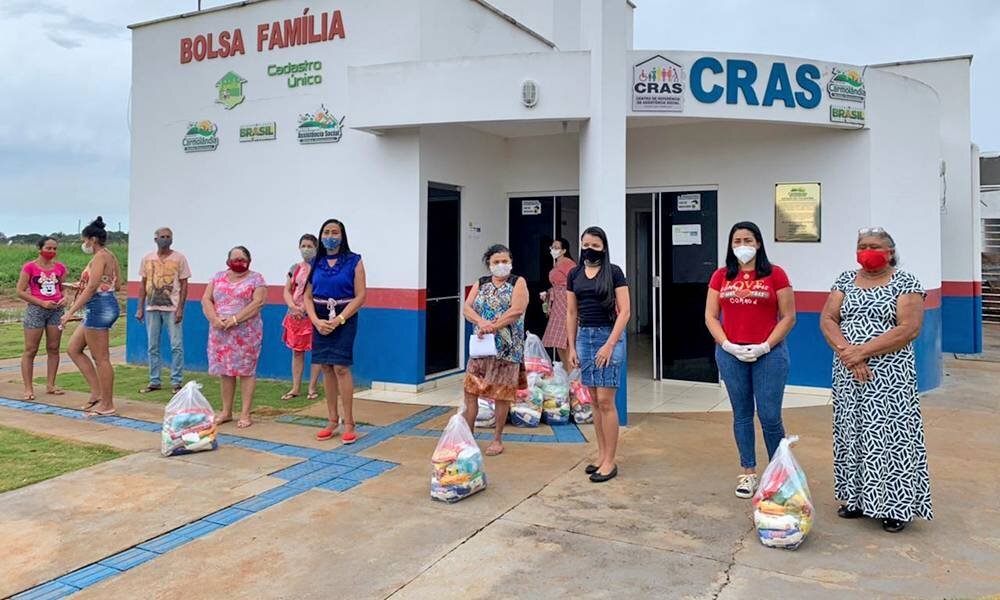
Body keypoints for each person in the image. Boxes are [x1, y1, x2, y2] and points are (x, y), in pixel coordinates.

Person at [820, 227, 932, 533]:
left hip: (890, 377)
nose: (867, 250)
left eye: (874, 246)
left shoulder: (906, 282)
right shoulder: (844, 279)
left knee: (890, 438)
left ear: (890, 252)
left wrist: (862, 352)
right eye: (862, 245)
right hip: (848, 374)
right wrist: (848, 353)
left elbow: (909, 328)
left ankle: (895, 506)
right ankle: (855, 500)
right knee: (852, 432)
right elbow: (828, 319)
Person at [705, 221, 796, 499]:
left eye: (748, 240)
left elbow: (789, 316)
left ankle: (778, 474)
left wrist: (766, 346)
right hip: (731, 354)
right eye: (737, 241)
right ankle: (748, 473)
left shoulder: (775, 274)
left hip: (769, 355)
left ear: (758, 243)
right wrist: (727, 345)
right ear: (730, 246)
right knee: (742, 415)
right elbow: (710, 316)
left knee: (769, 416)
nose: (742, 246)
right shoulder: (721, 276)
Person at [566, 226, 630, 482]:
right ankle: (601, 456)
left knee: (606, 401)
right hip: (584, 337)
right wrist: (571, 346)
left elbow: (624, 312)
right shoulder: (574, 274)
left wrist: (610, 344)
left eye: (595, 245)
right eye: (585, 245)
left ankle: (611, 461)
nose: (589, 249)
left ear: (604, 247)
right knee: (593, 401)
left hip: (608, 338)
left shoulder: (614, 272)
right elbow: (571, 312)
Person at [303, 219, 367, 443]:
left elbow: (360, 295)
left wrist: (340, 318)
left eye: (335, 232)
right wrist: (315, 320)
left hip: (344, 316)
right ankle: (332, 419)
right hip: (319, 318)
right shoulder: (316, 262)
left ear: (343, 235)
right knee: (326, 367)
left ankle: (349, 422)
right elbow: (307, 296)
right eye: (327, 232)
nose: (331, 235)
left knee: (340, 367)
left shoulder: (354, 261)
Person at [462, 244, 529, 456]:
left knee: (502, 394)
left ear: (511, 262)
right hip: (482, 347)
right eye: (496, 262)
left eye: (505, 261)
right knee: (471, 391)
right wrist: (482, 322)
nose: (501, 265)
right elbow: (467, 307)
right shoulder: (480, 283)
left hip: (507, 349)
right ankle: (468, 437)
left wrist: (493, 326)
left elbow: (517, 310)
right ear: (488, 264)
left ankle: (497, 439)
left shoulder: (518, 282)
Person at [61, 217, 122, 416]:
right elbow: (116, 284)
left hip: (99, 306)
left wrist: (70, 312)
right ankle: (97, 392)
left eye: (85, 240)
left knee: (101, 358)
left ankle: (107, 403)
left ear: (93, 239)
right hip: (103, 303)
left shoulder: (99, 257)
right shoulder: (110, 256)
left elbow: (92, 288)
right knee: (74, 348)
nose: (84, 244)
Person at [201, 246, 267, 428]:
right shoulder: (217, 277)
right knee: (226, 371)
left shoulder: (256, 279)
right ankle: (226, 411)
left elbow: (258, 302)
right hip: (220, 331)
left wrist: (236, 319)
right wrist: (214, 318)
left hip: (246, 332)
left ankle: (245, 413)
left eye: (242, 259)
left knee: (246, 371)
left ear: (249, 260)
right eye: (235, 259)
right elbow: (206, 299)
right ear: (228, 261)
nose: (239, 262)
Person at [136, 227, 191, 394]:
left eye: (168, 237)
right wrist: (140, 307)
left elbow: (184, 285)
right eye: (162, 236)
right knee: (152, 346)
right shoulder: (147, 258)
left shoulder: (179, 258)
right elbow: (143, 284)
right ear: (155, 239)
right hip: (152, 307)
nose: (165, 239)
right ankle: (154, 381)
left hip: (172, 308)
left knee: (176, 345)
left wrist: (180, 308)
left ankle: (176, 382)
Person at [16, 237, 68, 401]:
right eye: (48, 248)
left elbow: (63, 287)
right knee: (31, 349)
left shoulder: (60, 267)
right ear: (40, 249)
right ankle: (28, 388)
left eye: (54, 249)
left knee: (53, 348)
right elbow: (20, 291)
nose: (52, 252)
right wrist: (41, 303)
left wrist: (65, 298)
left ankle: (51, 384)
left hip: (56, 310)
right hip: (36, 310)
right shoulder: (29, 267)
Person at [281, 234, 322, 401]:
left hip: (314, 314)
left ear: (316, 248)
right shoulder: (294, 268)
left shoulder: (320, 268)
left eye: (309, 246)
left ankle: (312, 387)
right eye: (303, 245)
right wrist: (292, 306)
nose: (306, 249)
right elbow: (287, 290)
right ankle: (296, 388)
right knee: (297, 352)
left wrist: (306, 308)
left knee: (317, 352)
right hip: (295, 316)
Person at [540, 237, 576, 363]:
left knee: (564, 337)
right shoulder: (557, 263)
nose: (553, 250)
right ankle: (567, 372)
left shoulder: (568, 264)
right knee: (558, 341)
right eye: (552, 247)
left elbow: (573, 282)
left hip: (565, 301)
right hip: (557, 302)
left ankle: (571, 373)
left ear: (564, 250)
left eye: (556, 248)